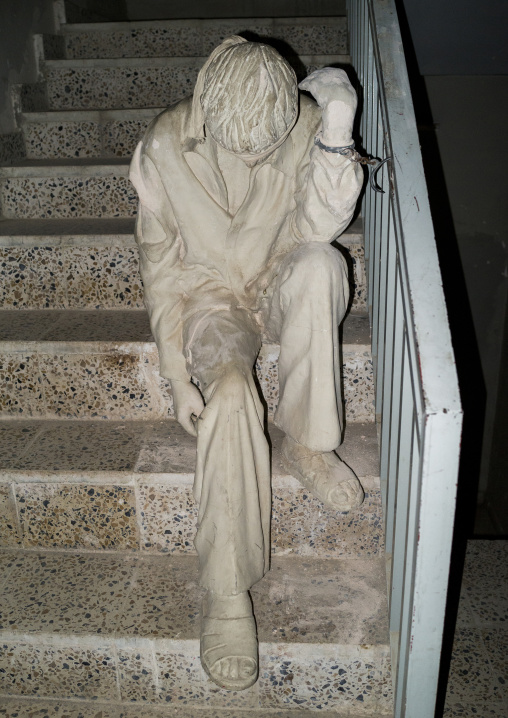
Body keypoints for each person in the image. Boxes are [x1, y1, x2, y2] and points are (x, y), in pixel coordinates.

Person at [129, 36, 364, 692]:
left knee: (321, 265)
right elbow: (160, 269)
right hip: (210, 299)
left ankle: (309, 444)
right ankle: (227, 590)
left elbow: (321, 226)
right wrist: (177, 375)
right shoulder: (163, 146)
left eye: (269, 149)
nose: (260, 159)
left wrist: (336, 132)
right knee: (231, 395)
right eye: (246, 151)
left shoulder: (302, 121)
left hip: (276, 275)